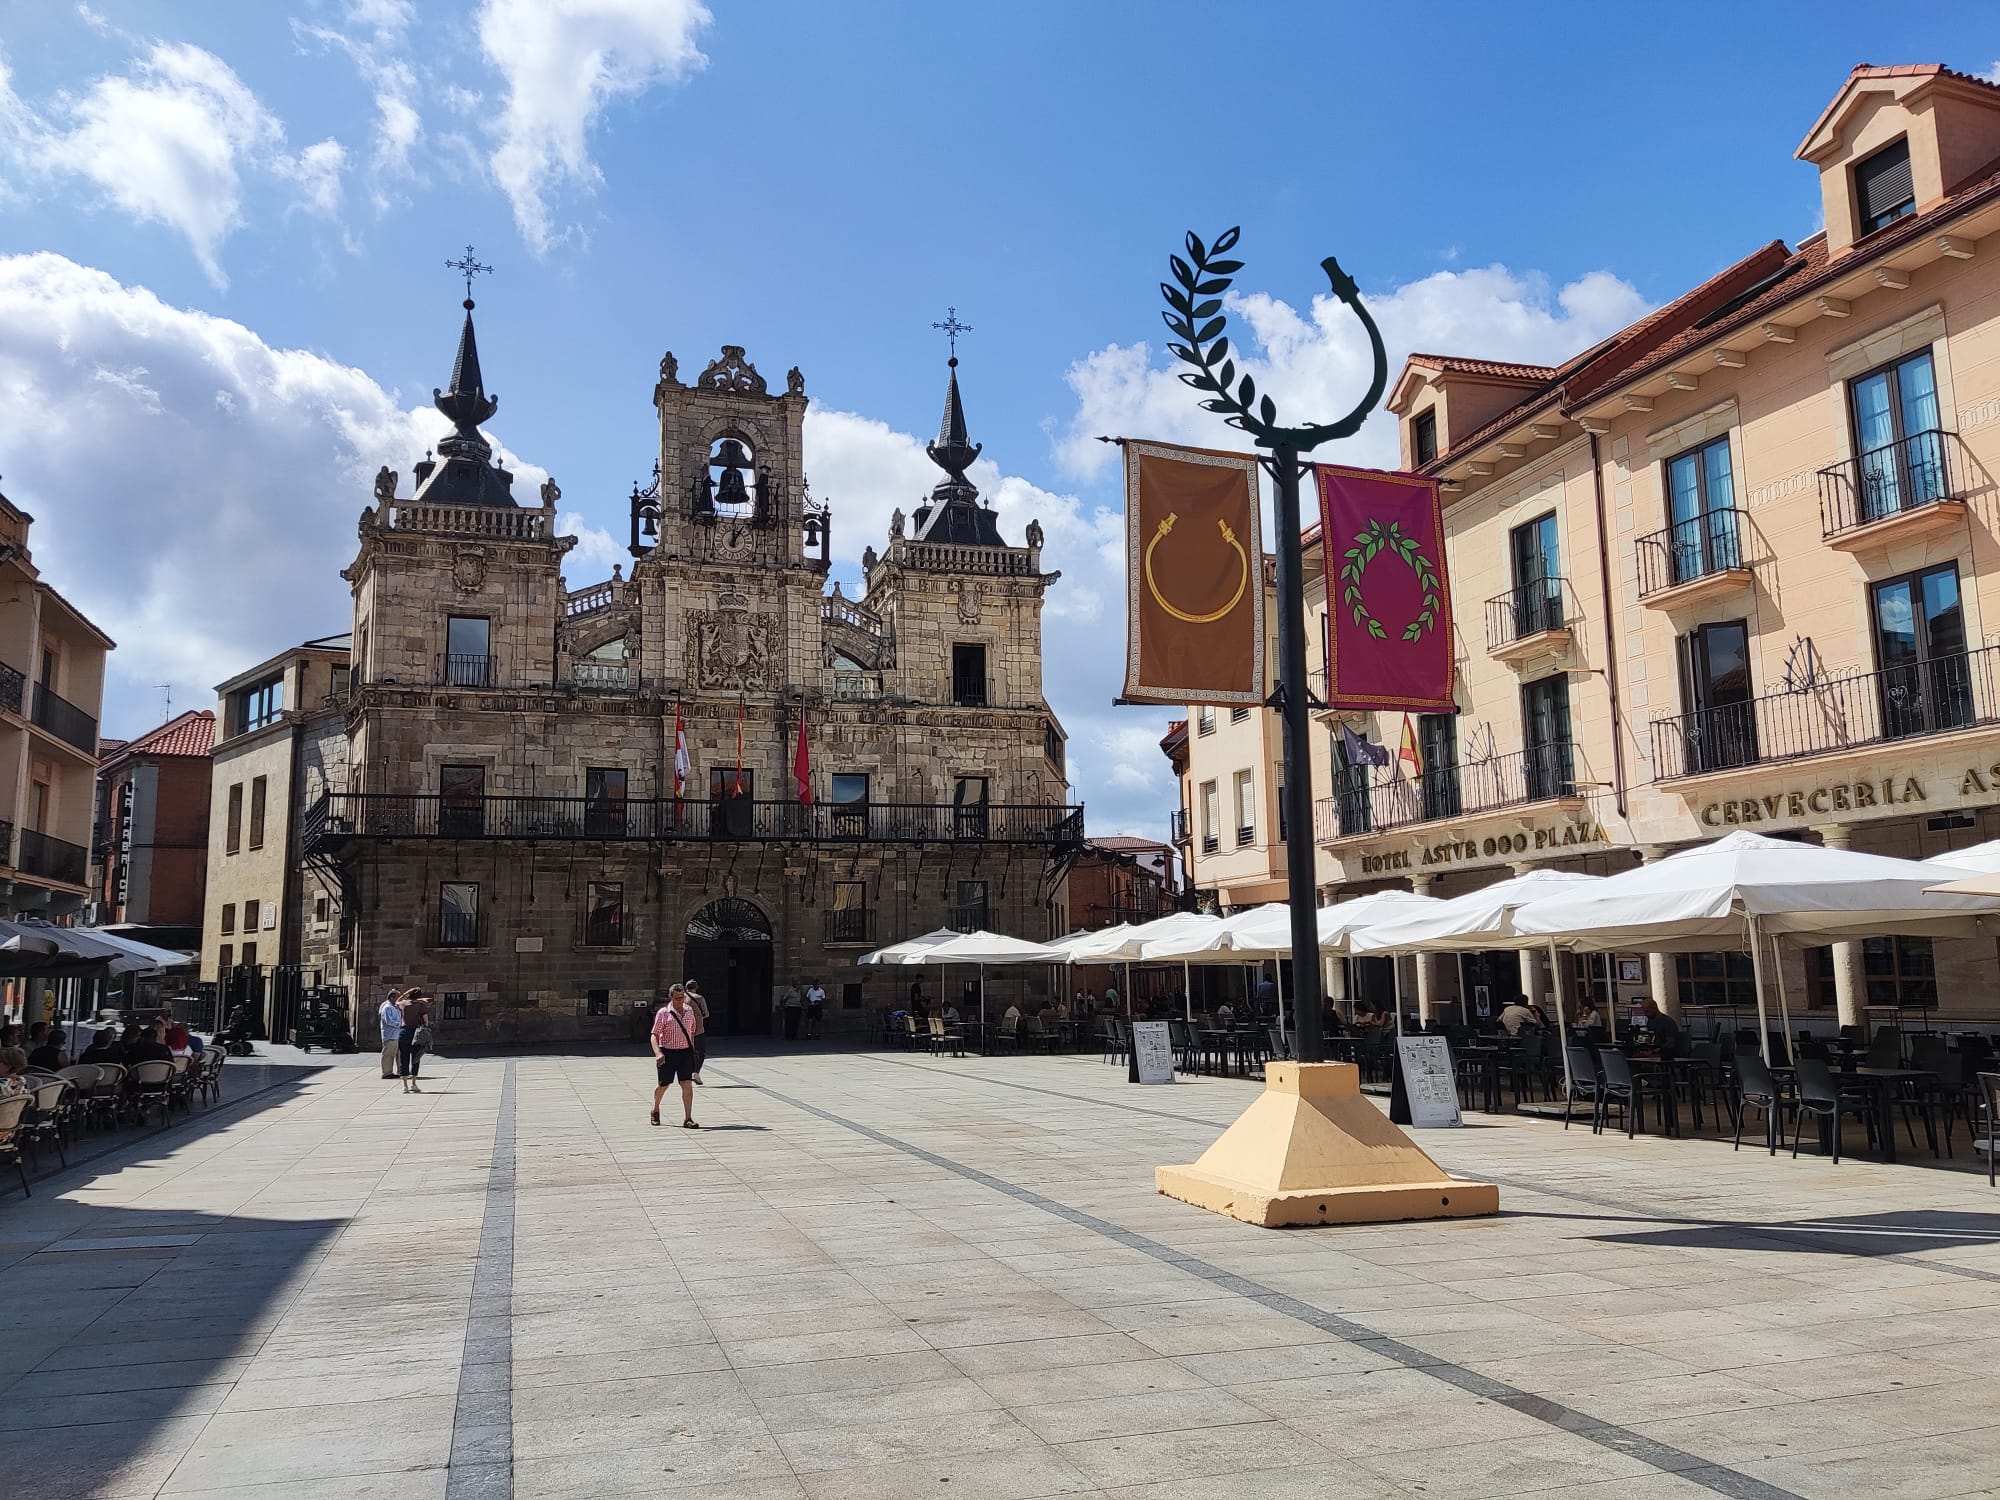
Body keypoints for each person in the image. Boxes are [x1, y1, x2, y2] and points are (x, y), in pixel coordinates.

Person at [651, 984, 701, 1128]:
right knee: (663, 1085)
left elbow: (691, 1032)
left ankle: (688, 1118)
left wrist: (692, 1050)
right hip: (667, 1053)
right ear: (671, 997)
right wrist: (658, 1053)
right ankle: (655, 1109)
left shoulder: (689, 1010)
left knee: (687, 1084)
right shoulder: (663, 1013)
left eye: (682, 997)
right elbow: (654, 1035)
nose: (680, 1001)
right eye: (677, 998)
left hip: (685, 1053)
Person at [400, 990, 432, 1091]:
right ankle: (413, 1083)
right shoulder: (421, 1005)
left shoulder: (403, 1004)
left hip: (404, 1033)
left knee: (403, 1058)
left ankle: (405, 1085)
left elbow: (398, 1001)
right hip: (416, 1034)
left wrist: (406, 993)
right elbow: (425, 1020)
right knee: (415, 1058)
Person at [683, 981, 710, 1085]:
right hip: (697, 1029)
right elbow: (706, 1013)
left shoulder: (682, 998)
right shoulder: (699, 998)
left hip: (683, 1029)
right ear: (696, 988)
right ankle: (695, 1072)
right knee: (700, 1052)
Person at [377, 986, 406, 1080]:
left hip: (396, 1035)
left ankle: (400, 1071)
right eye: (398, 997)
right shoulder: (387, 1008)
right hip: (390, 1035)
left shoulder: (396, 1007)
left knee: (398, 1054)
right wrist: (400, 1024)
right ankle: (387, 1072)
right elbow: (389, 1021)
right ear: (392, 997)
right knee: (388, 1054)